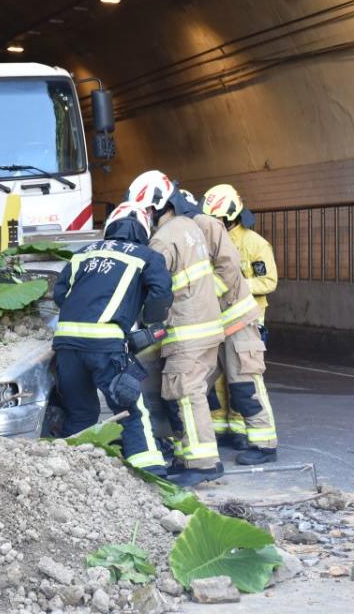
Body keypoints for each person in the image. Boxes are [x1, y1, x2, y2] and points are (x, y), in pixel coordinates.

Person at [52, 202, 173, 475]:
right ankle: (150, 473)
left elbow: (61, 294)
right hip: (106, 347)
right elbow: (160, 295)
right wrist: (147, 318)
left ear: (110, 227)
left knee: (80, 413)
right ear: (143, 230)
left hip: (66, 346)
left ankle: (70, 474)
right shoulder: (147, 256)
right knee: (132, 408)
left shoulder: (83, 253)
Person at [127, 170, 229, 485]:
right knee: (191, 392)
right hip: (207, 326)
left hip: (186, 330)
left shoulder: (161, 239)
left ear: (155, 206)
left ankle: (203, 464)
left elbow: (153, 289)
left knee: (187, 393)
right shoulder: (189, 227)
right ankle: (189, 456)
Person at [200, 184, 279, 465]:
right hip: (219, 320)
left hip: (248, 320)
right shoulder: (211, 243)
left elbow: (269, 281)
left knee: (246, 380)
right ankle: (223, 428)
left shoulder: (254, 243)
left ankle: (257, 439)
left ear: (230, 216)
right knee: (220, 379)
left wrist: (237, 285)